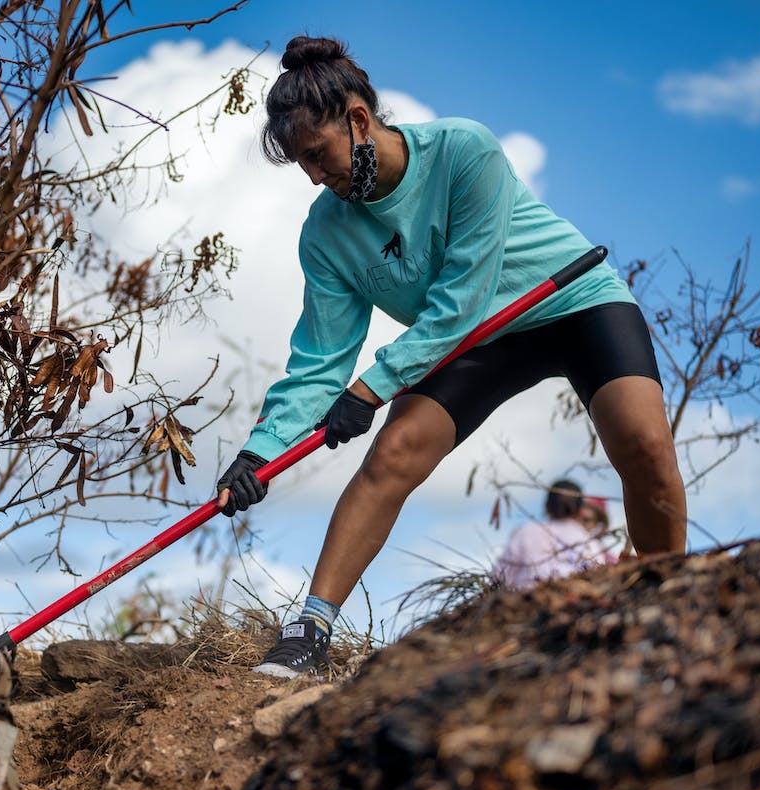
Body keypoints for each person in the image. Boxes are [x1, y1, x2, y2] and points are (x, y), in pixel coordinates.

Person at [215, 36, 686, 678]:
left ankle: (671, 600)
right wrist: (260, 452)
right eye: (303, 164)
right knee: (394, 453)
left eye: (318, 155)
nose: (315, 177)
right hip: (474, 341)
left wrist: (369, 391)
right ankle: (308, 633)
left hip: (570, 301)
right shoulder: (325, 233)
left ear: (357, 121)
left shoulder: (465, 149)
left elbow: (462, 299)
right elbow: (320, 357)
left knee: (646, 446)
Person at [493, 480, 608, 589]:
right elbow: (599, 579)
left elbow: (500, 577)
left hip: (528, 602)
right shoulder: (591, 543)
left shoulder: (525, 532)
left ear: (547, 506)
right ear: (579, 510)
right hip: (577, 605)